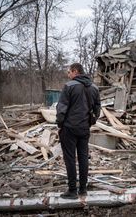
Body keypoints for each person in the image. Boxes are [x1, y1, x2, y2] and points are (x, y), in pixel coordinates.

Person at [56, 63, 101, 199]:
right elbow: (98, 109)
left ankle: (72, 190)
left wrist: (60, 124)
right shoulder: (94, 88)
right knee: (83, 158)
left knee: (70, 159)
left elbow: (61, 108)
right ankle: (83, 189)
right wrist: (91, 122)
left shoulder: (69, 86)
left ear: (75, 72)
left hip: (69, 128)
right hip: (84, 129)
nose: (68, 75)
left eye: (69, 72)